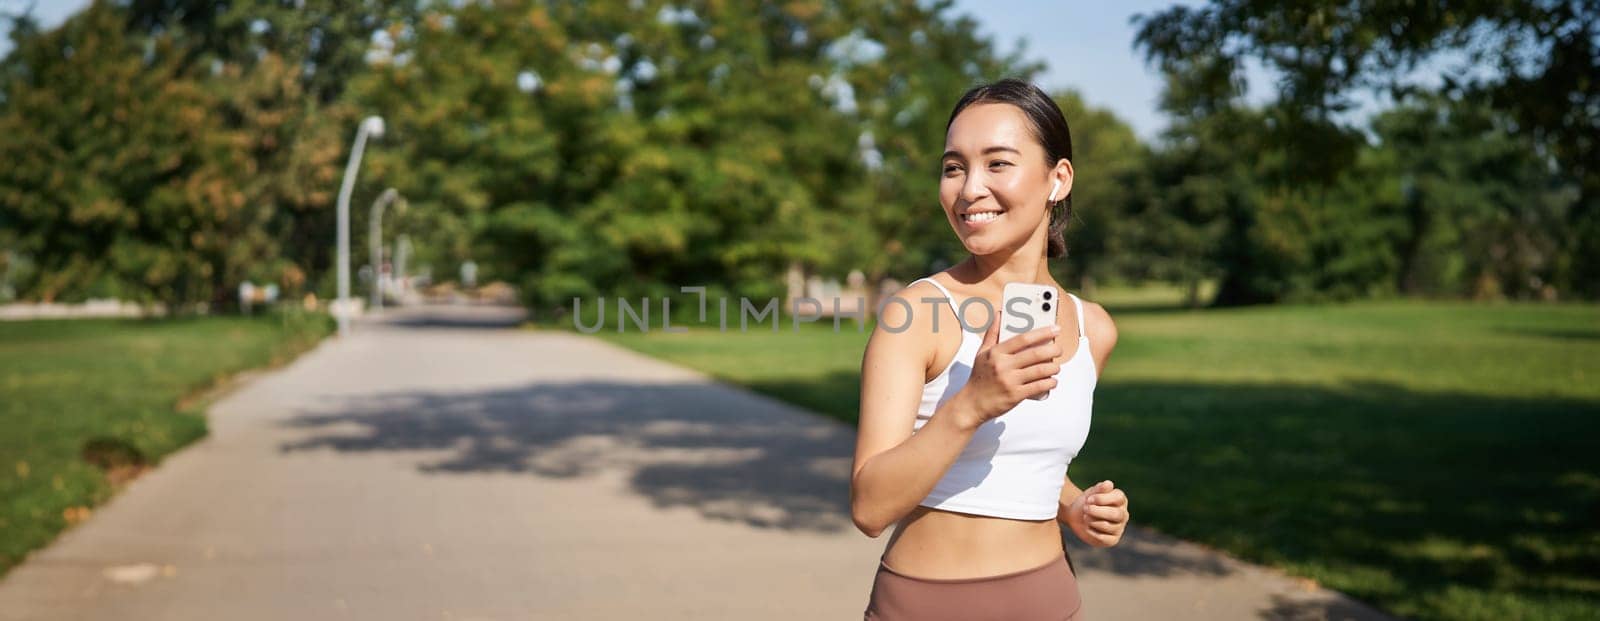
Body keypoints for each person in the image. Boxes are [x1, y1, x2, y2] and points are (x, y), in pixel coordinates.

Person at [851, 78, 1129, 620]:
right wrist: (972, 403)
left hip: (1050, 599)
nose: (969, 187)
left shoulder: (1093, 327)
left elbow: (1024, 468)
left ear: (1059, 178)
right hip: (926, 605)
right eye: (954, 167)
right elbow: (870, 506)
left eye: (997, 163)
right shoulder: (916, 315)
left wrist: (1075, 505)